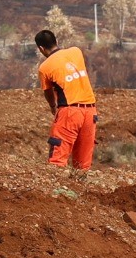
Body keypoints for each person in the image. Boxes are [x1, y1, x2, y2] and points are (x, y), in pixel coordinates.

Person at [34, 28, 97, 170]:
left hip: (70, 112)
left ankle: (56, 185)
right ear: (56, 41)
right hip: (91, 112)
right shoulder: (76, 51)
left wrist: (52, 106)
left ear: (41, 48)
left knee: (57, 160)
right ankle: (82, 183)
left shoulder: (45, 67)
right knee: (82, 165)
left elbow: (48, 92)